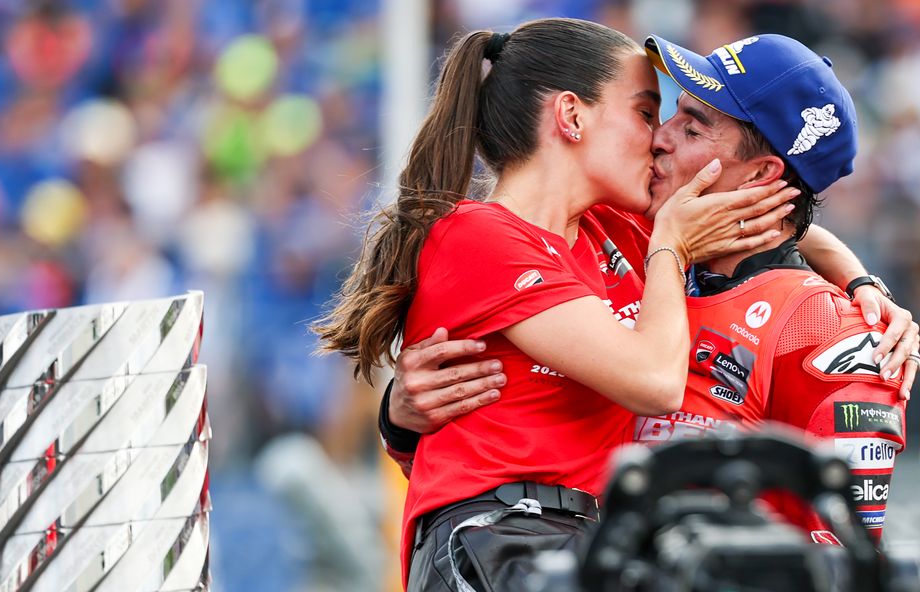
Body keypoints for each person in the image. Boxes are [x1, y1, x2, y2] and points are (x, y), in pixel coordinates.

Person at [314, 18, 798, 592]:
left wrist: (858, 283)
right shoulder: (477, 236)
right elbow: (654, 380)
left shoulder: (614, 229)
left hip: (580, 547)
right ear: (570, 115)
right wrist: (670, 250)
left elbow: (767, 220)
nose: (658, 138)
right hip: (493, 551)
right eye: (643, 111)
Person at [379, 34, 916, 544]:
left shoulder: (830, 328)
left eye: (691, 127)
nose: (659, 135)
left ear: (760, 177)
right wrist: (399, 421)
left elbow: (843, 556)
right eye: (659, 113)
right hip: (567, 584)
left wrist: (863, 287)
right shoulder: (643, 246)